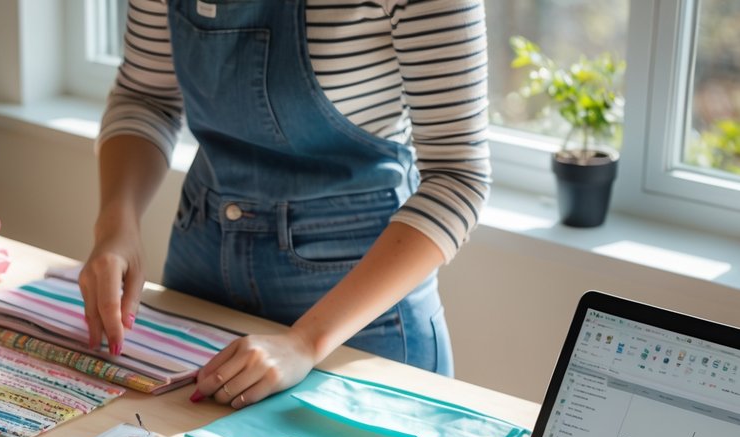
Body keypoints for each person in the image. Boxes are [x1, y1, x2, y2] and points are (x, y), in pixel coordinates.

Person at [77, 0, 490, 408]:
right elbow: (145, 98)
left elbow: (458, 177)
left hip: (357, 313)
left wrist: (306, 341)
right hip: (198, 275)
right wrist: (117, 225)